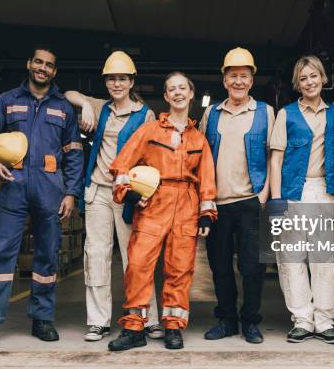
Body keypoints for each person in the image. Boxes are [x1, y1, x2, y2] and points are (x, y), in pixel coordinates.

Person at [0, 47, 83, 347]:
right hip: (13, 186)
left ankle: (42, 319)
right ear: (29, 64)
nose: (43, 68)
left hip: (50, 190)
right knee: (0, 252)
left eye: (49, 65)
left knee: (47, 255)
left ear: (54, 72)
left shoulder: (63, 108)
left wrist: (72, 193)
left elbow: (74, 153)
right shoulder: (8, 100)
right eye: (38, 62)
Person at [107, 72, 217, 351]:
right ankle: (133, 329)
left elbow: (207, 179)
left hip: (187, 204)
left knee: (180, 268)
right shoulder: (150, 131)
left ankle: (172, 326)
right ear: (166, 97)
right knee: (139, 265)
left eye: (183, 87)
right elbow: (121, 165)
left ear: (191, 94)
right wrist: (129, 194)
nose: (178, 93)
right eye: (172, 89)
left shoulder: (199, 139)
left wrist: (207, 213)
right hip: (154, 202)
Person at [64, 51, 162, 342]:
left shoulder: (146, 115)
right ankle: (98, 321)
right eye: (111, 79)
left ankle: (145, 318)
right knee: (96, 255)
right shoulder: (100, 106)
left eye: (122, 78)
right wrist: (86, 105)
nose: (116, 84)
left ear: (132, 81)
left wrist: (144, 193)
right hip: (98, 192)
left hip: (129, 195)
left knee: (137, 258)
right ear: (105, 81)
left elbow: (151, 156)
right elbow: (68, 93)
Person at [200, 47, 275, 344]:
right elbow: (203, 156)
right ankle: (227, 320)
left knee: (252, 267)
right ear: (224, 80)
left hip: (250, 200)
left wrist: (265, 194)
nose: (238, 82)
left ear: (252, 80)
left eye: (244, 76)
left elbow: (273, 155)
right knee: (219, 267)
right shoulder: (211, 113)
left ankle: (250, 322)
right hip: (218, 202)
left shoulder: (265, 112)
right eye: (233, 76)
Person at [269, 55, 334, 345]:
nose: (310, 82)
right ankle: (302, 319)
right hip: (292, 192)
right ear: (297, 84)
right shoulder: (286, 114)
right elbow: (275, 160)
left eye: (314, 76)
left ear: (323, 79)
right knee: (291, 259)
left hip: (324, 191)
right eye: (303, 78)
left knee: (323, 259)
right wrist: (276, 201)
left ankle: (325, 321)